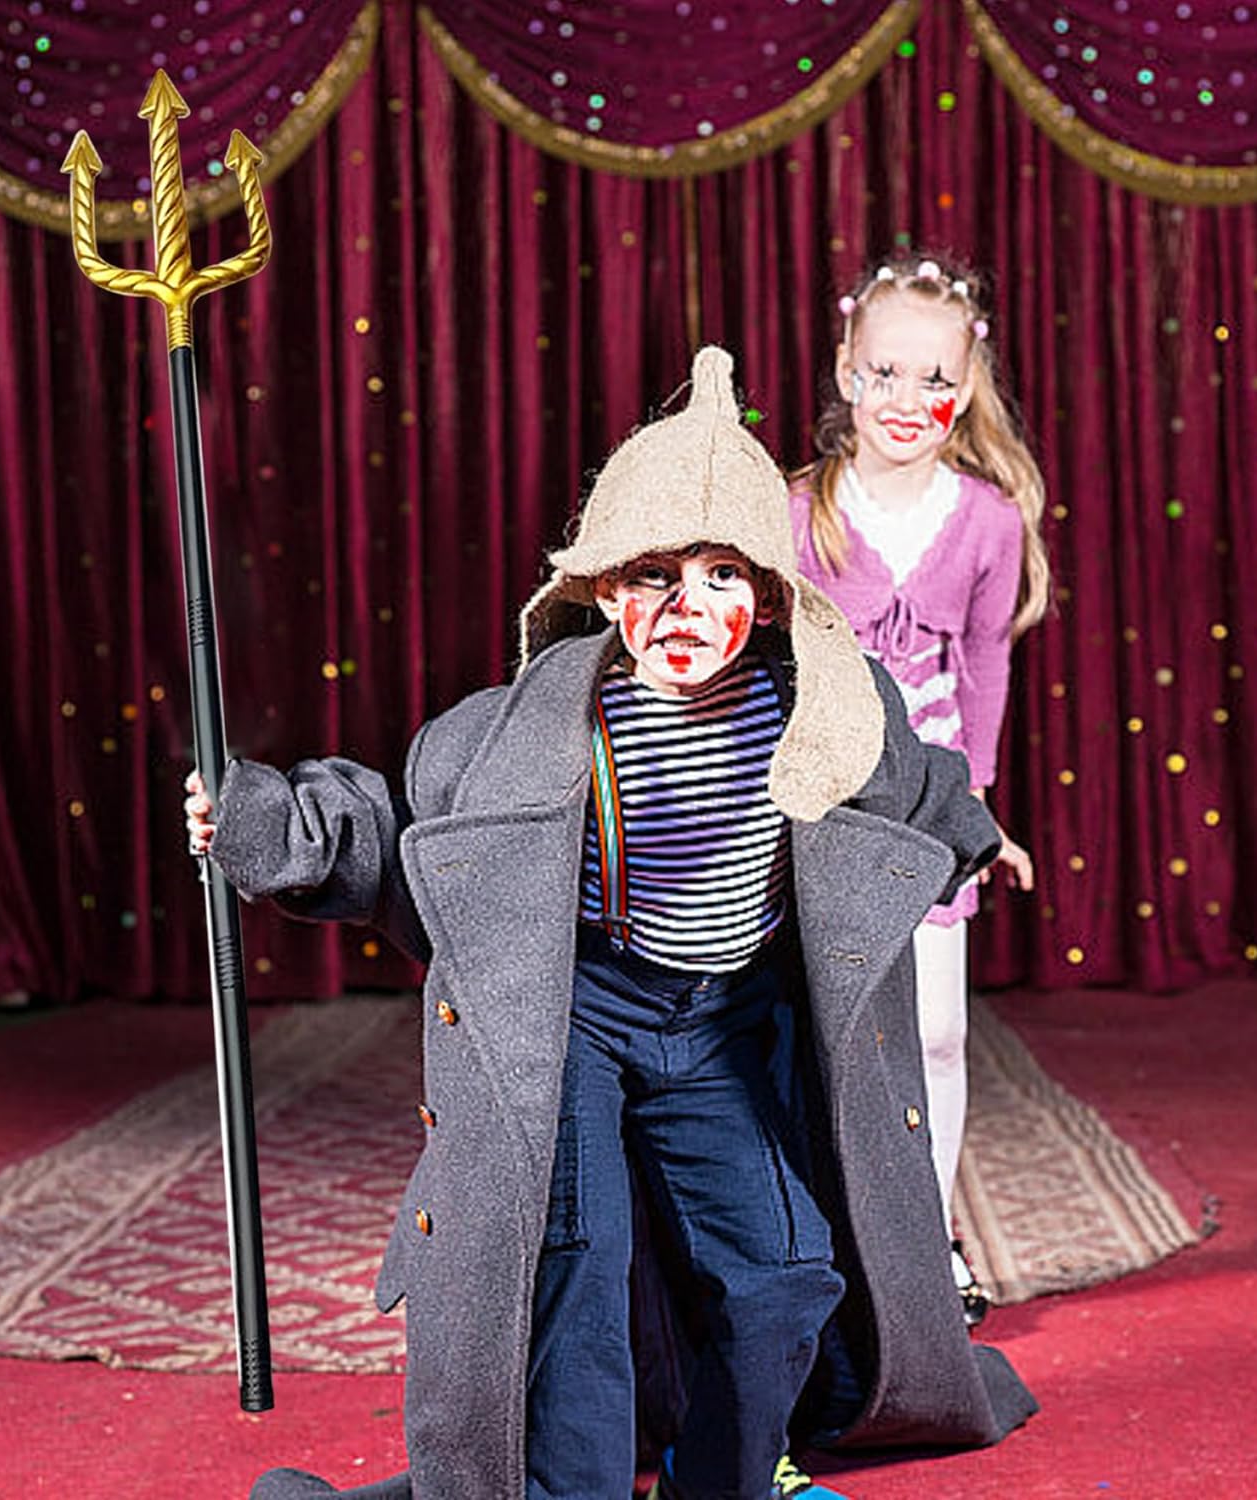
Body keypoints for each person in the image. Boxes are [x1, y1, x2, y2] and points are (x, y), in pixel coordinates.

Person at [186, 346, 1036, 1500]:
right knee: (574, 1263)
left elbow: (912, 782)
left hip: (723, 1027)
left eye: (723, 576)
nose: (688, 608)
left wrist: (976, 829)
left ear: (771, 596)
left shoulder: (826, 714)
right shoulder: (533, 729)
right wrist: (255, 820)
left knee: (785, 1275)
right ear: (600, 587)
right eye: (653, 575)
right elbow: (397, 832)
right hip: (583, 1015)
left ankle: (720, 1480)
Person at [789, 255, 1051, 1325]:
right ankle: (826, 1240)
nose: (907, 399)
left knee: (935, 1031)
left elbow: (985, 666)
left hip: (929, 815)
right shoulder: (802, 512)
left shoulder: (988, 521)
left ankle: (929, 1240)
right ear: (846, 371)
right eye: (885, 372)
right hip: (824, 812)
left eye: (934, 379)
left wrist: (976, 810)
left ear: (966, 384)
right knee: (831, 1033)